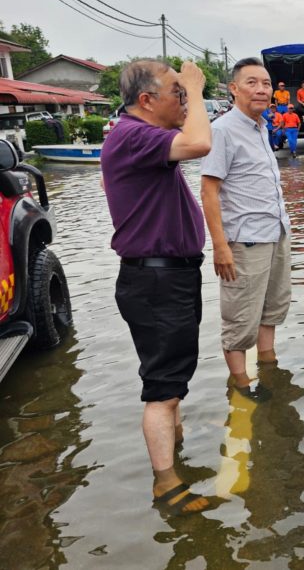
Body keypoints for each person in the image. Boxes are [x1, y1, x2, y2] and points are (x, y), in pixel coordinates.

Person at [100, 59, 212, 515]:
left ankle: (174, 452)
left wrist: (188, 95)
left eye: (184, 93)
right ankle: (166, 486)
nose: (183, 100)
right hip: (156, 278)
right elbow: (201, 142)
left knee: (171, 380)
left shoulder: (144, 139)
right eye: (176, 92)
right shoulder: (133, 135)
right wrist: (199, 89)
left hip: (169, 275)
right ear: (146, 100)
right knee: (162, 387)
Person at [200, 58, 292, 400]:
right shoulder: (223, 129)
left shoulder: (262, 127)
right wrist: (220, 246)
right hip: (245, 241)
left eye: (266, 84)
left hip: (275, 232)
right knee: (240, 320)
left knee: (271, 311)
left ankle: (269, 370)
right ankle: (242, 386)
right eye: (252, 82)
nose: (262, 89)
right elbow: (209, 191)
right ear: (234, 89)